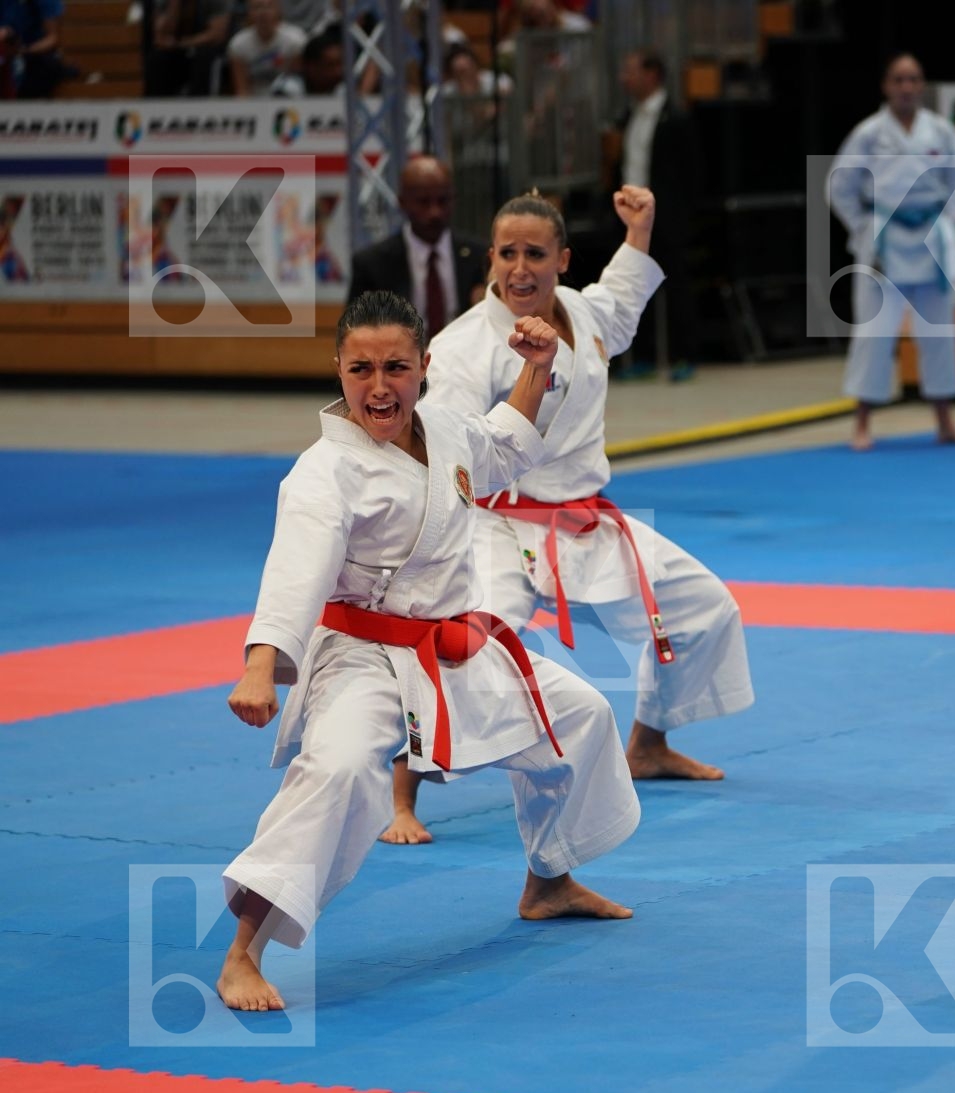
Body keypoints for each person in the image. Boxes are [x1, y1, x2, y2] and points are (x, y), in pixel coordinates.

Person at [218, 289, 641, 1010]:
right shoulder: (324, 473)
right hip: (364, 655)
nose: (378, 387)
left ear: (425, 366)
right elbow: (294, 574)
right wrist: (261, 670)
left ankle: (548, 878)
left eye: (396, 367)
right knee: (342, 772)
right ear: (337, 370)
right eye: (360, 370)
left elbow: (505, 445)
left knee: (580, 716)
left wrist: (537, 369)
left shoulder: (443, 428)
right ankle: (241, 955)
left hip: (451, 647)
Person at [382, 186, 754, 845]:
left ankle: (649, 742)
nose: (519, 268)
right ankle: (402, 794)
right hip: (498, 527)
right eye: (506, 253)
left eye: (535, 253)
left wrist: (639, 231)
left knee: (707, 610)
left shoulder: (582, 312)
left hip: (585, 521)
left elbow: (622, 299)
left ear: (562, 260)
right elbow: (454, 438)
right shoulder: (464, 346)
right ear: (489, 260)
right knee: (467, 651)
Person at [829, 53, 955, 451]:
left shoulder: (940, 131)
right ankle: (862, 423)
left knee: (939, 331)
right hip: (885, 236)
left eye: (913, 80)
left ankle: (945, 420)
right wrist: (863, 226)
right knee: (874, 332)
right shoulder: (869, 132)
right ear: (886, 86)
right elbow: (840, 185)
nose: (907, 87)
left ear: (922, 85)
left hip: (930, 234)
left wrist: (945, 223)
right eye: (899, 80)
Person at [605, 48, 701, 384]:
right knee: (635, 284)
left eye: (631, 70)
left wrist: (679, 212)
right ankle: (642, 355)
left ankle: (683, 355)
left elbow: (690, 171)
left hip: (666, 215)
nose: (624, 78)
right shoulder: (628, 116)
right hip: (631, 216)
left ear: (652, 75)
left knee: (675, 285)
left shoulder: (675, 117)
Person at [348, 156, 488, 342]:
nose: (435, 212)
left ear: (454, 200)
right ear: (402, 203)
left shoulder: (479, 256)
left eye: (443, 201)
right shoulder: (373, 264)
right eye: (424, 202)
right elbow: (355, 330)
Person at [147, 0, 231, 97]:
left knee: (204, 56)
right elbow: (161, 37)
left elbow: (217, 35)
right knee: (157, 59)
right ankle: (158, 106)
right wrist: (174, 5)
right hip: (179, 50)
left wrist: (182, 44)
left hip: (209, 50)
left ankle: (202, 105)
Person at [227, 0, 306, 96]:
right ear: (249, 13)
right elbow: (242, 89)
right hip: (253, 100)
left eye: (269, 7)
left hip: (285, 97)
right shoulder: (238, 44)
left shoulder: (295, 39)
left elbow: (296, 82)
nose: (263, 12)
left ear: (278, 10)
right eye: (257, 7)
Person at [0, 0, 63, 99]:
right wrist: (7, 32)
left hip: (35, 55)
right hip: (7, 52)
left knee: (43, 68)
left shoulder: (47, 2)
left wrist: (24, 51)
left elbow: (52, 39)